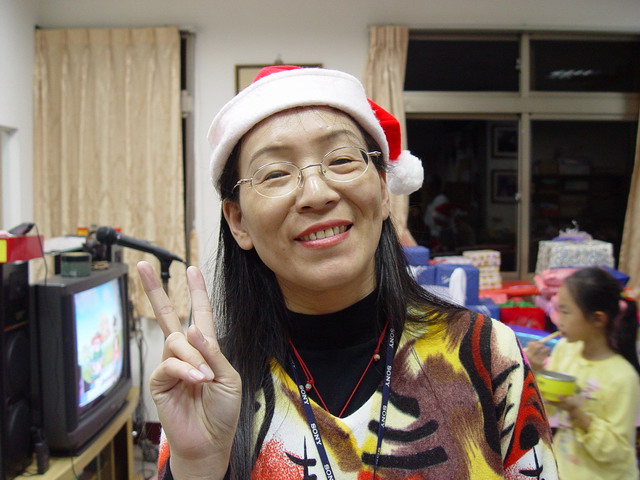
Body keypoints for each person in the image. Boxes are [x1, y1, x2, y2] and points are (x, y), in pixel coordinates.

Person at [137, 65, 557, 480]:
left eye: (340, 160)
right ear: (238, 221)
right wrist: (198, 466)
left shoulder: (486, 355)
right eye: (276, 173)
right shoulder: (208, 383)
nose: (317, 194)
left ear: (383, 189)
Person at [525, 267, 640, 479]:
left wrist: (577, 412)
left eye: (566, 312)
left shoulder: (623, 377)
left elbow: (617, 453)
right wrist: (535, 371)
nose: (558, 320)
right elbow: (547, 411)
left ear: (598, 319)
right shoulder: (565, 351)